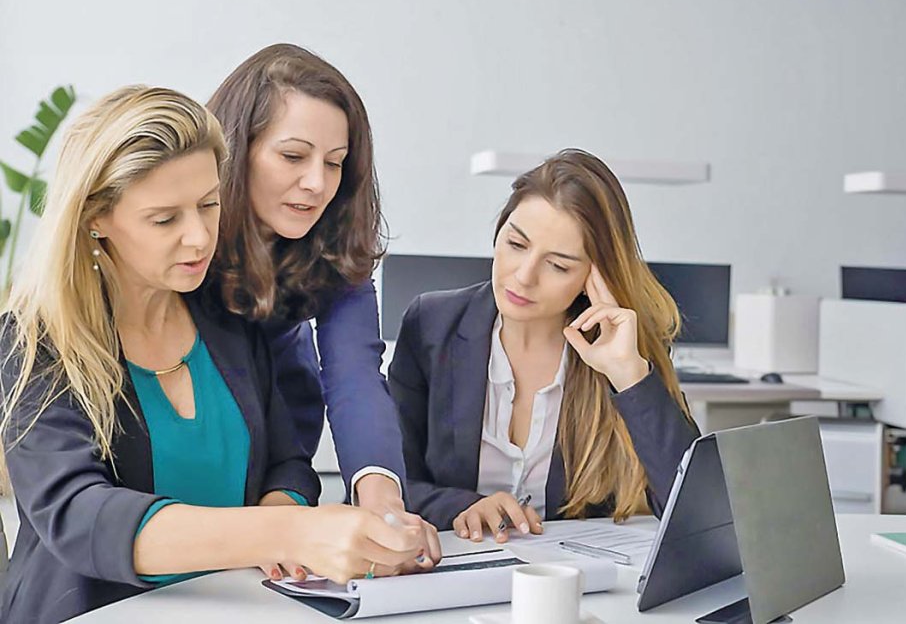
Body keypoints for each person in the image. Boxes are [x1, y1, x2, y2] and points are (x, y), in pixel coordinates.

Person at [0, 86, 424, 623]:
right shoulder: (36, 340)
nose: (199, 237)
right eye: (164, 219)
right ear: (95, 218)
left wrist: (284, 520)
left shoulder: (227, 317)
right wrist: (285, 531)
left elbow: (286, 463)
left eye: (208, 204)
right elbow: (78, 515)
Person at [388, 149, 701, 541]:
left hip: (575, 582)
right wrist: (460, 507)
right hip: (457, 567)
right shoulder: (432, 325)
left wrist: (629, 375)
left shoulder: (622, 346)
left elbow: (695, 511)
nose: (523, 276)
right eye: (516, 244)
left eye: (558, 265)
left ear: (595, 276)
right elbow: (386, 483)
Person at [205, 46, 435, 554]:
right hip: (193, 508)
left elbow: (355, 378)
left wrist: (383, 502)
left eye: (335, 164)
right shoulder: (188, 252)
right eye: (293, 156)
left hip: (284, 492)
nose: (316, 183)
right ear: (236, 150)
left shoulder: (332, 252)